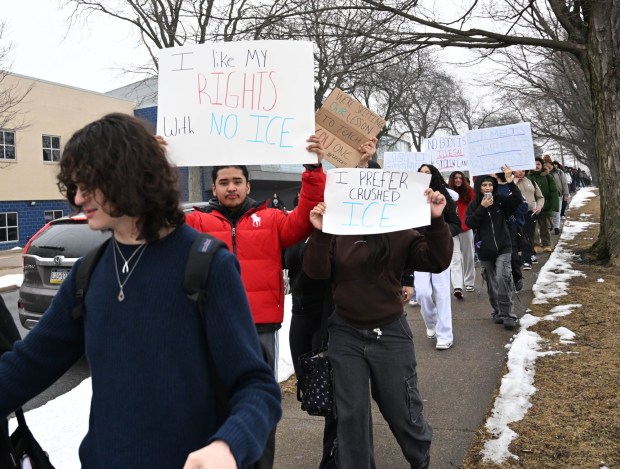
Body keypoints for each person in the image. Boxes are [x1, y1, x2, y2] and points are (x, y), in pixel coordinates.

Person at [0, 113, 281, 469]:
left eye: (89, 184)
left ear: (128, 175)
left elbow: (257, 386)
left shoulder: (208, 265)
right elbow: (28, 364)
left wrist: (228, 444)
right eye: (73, 186)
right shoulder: (87, 274)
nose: (78, 197)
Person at [184, 136, 326, 468]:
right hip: (209, 329)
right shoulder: (196, 223)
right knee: (212, 407)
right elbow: (156, 217)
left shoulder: (274, 219)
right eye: (224, 182)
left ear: (248, 185)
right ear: (213, 188)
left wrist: (313, 169)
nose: (231, 187)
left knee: (259, 405)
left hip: (260, 328)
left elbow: (305, 217)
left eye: (237, 181)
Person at [303, 185, 453, 468]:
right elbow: (316, 271)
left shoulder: (400, 230)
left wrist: (436, 219)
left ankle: (420, 459)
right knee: (351, 416)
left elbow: (436, 260)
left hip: (390, 332)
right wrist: (321, 232)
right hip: (345, 333)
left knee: (403, 409)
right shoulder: (339, 229)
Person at [466, 165, 524, 329]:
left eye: (490, 185)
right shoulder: (474, 204)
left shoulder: (500, 200)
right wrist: (482, 208)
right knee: (492, 283)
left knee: (503, 279)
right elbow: (470, 223)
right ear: (479, 187)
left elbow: (518, 200)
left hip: (503, 247)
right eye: (484, 185)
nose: (487, 188)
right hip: (485, 250)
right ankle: (497, 311)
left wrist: (510, 181)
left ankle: (508, 314)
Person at [415, 164, 460, 350]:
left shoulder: (444, 196)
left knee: (441, 292)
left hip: (441, 248)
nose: (425, 175)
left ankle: (445, 335)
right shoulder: (412, 196)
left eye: (428, 173)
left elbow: (456, 224)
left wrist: (439, 231)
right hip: (418, 248)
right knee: (423, 293)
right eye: (421, 173)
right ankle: (431, 321)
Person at [448, 171, 476, 293]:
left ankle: (469, 282)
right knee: (455, 258)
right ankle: (457, 286)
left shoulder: (469, 191)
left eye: (460, 178)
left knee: (468, 256)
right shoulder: (447, 192)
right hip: (452, 230)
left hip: (466, 228)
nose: (458, 180)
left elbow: (475, 203)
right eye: (455, 178)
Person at [514, 170, 545, 270]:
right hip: (516, 214)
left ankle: (526, 259)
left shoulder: (531, 182)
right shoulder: (510, 182)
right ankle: (530, 253)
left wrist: (539, 207)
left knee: (529, 235)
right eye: (519, 170)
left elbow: (540, 197)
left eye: (523, 170)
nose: (521, 172)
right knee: (520, 236)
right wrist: (513, 181)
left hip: (531, 212)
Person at [528, 157, 559, 253]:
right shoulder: (528, 178)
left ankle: (546, 244)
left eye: (538, 164)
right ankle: (536, 245)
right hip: (532, 206)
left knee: (545, 227)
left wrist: (554, 205)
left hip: (545, 205)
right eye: (534, 164)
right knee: (534, 227)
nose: (536, 166)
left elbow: (554, 191)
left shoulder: (548, 177)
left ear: (542, 166)